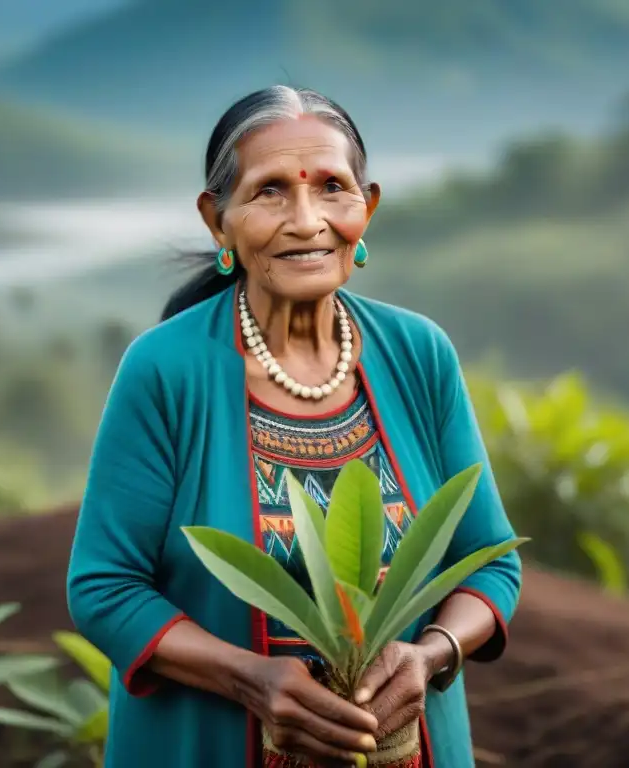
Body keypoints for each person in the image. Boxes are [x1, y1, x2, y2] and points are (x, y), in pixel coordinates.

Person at [67, 85, 523, 768]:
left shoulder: (418, 354)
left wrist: (429, 656)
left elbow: (492, 564)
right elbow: (104, 586)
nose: (306, 220)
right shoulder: (165, 371)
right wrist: (247, 678)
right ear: (217, 220)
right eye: (270, 192)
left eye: (331, 188)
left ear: (365, 209)